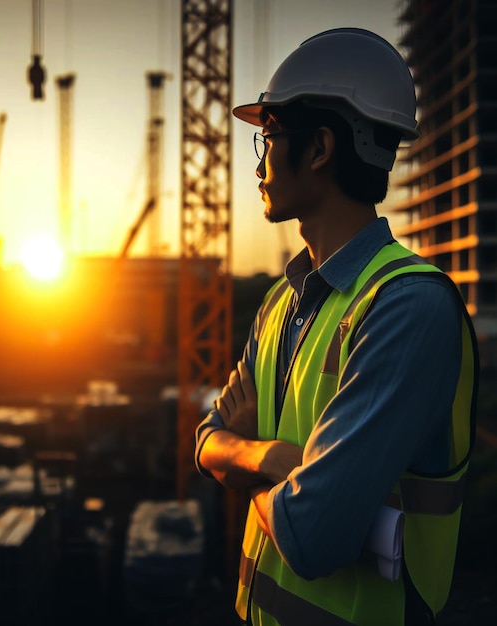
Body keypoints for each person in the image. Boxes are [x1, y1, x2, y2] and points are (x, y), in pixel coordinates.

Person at [194, 27, 478, 626]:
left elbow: (310, 536)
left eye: (268, 137)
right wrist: (269, 458)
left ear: (319, 148)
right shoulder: (280, 302)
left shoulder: (408, 308)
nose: (261, 163)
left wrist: (237, 456)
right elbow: (205, 442)